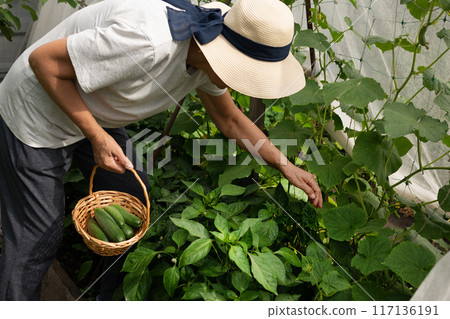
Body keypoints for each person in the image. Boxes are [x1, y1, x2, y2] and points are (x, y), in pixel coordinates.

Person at [0, 0, 323, 300]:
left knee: (132, 198)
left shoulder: (215, 44)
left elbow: (229, 119)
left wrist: (285, 164)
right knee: (38, 232)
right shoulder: (145, 43)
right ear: (225, 55)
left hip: (96, 107)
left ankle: (104, 301)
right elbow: (43, 62)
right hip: (38, 111)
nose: (242, 83)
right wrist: (97, 136)